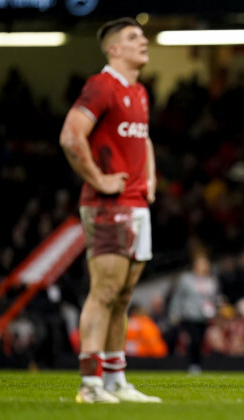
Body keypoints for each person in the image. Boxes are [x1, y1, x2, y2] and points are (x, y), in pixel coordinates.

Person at [59, 17, 160, 404]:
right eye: (134, 37)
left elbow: (143, 138)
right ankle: (90, 384)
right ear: (113, 49)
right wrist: (100, 180)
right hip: (107, 206)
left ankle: (117, 380)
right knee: (103, 293)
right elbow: (71, 135)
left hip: (135, 205)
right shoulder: (102, 86)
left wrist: (149, 178)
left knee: (122, 297)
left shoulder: (139, 91)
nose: (144, 41)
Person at [168, 254, 219, 374]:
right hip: (189, 314)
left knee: (200, 341)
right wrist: (174, 312)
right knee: (193, 340)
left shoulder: (211, 281)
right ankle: (193, 364)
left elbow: (213, 299)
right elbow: (178, 296)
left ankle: (197, 364)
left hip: (204, 316)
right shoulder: (186, 279)